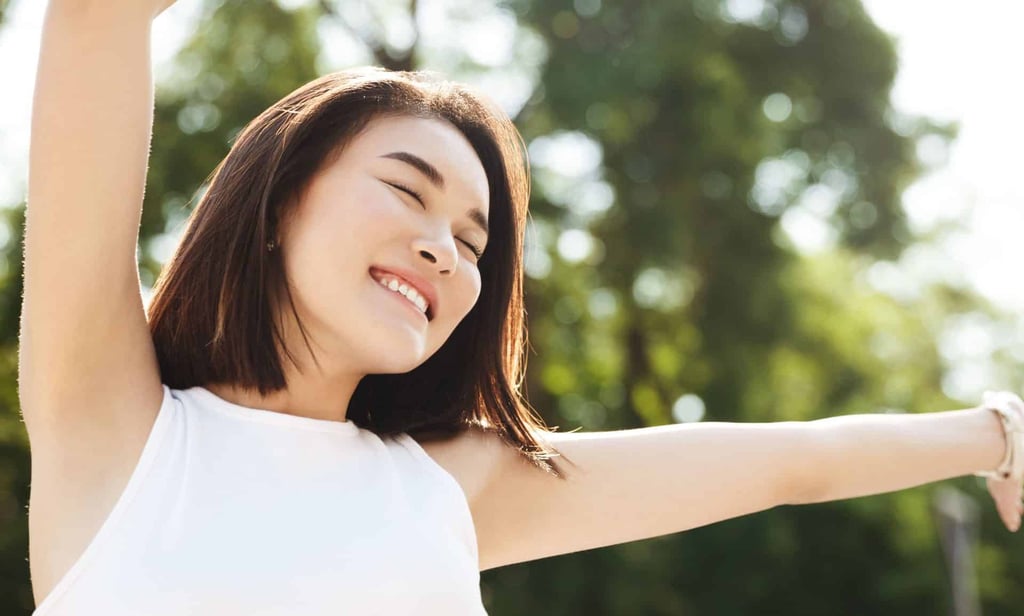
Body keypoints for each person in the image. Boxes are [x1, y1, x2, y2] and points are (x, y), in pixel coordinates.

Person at [18, 0, 1024, 614]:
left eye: (473, 239)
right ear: (278, 203)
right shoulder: (116, 422)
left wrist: (997, 434)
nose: (442, 249)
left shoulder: (445, 488)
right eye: (409, 192)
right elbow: (97, 16)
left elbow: (784, 463)